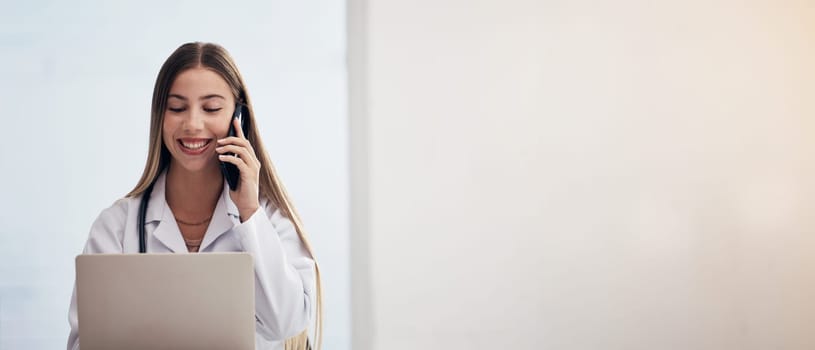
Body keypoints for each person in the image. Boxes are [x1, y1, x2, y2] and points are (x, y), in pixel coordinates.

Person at [66, 42, 322, 350]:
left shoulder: (268, 221)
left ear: (239, 118)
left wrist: (249, 214)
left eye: (211, 108)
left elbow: (287, 322)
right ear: (160, 116)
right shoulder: (116, 228)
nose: (192, 124)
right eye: (176, 108)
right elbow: (85, 344)